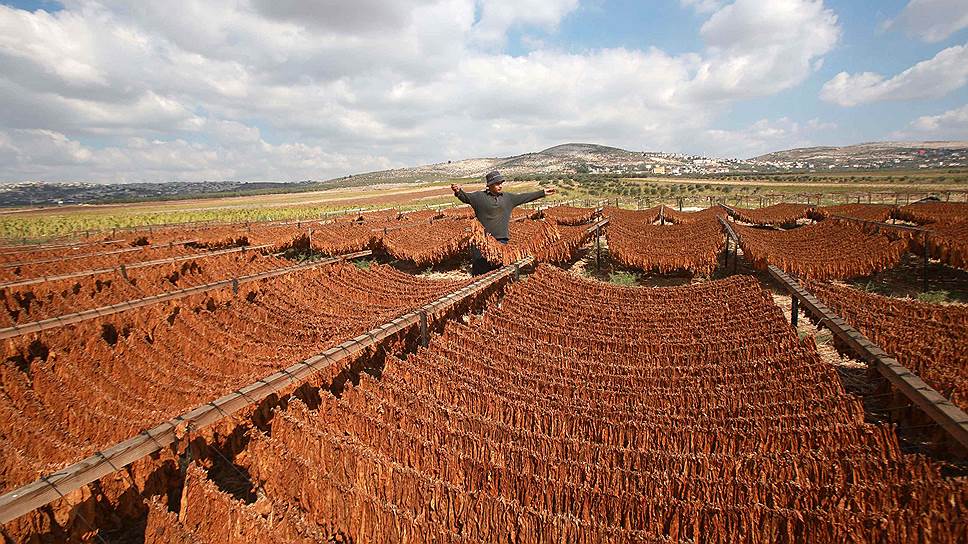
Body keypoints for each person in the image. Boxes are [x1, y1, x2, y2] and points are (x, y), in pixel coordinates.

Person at [451, 170, 556, 275]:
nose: (500, 186)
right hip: (481, 242)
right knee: (480, 272)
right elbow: (465, 197)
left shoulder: (508, 198)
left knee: (499, 271)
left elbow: (525, 197)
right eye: (497, 183)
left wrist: (542, 193)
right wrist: (458, 191)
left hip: (501, 241)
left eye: (501, 183)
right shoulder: (479, 197)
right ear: (489, 185)